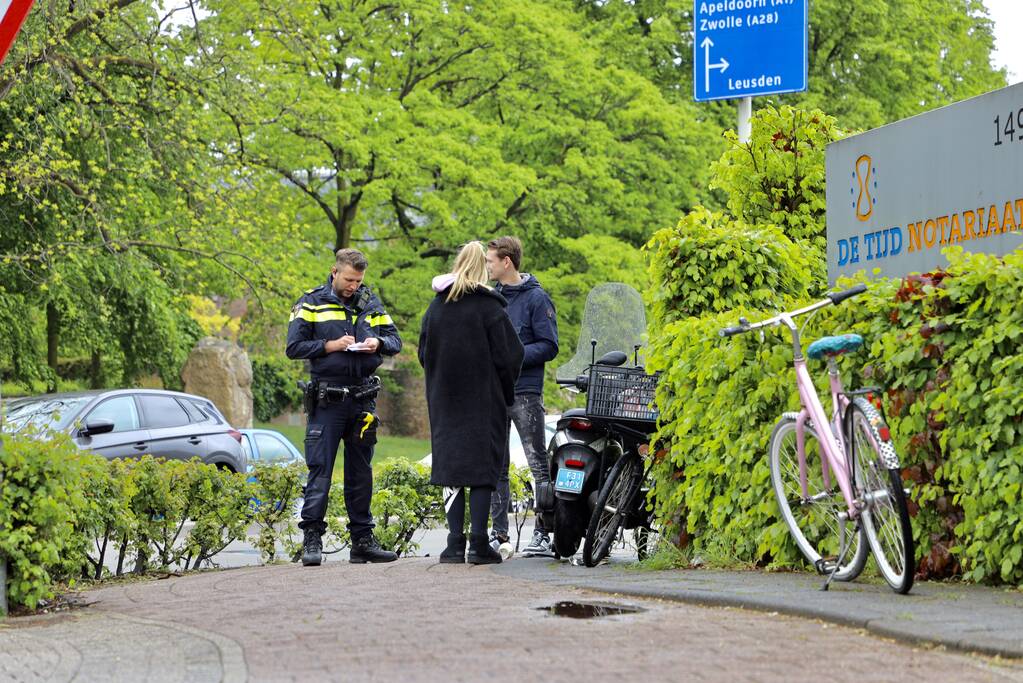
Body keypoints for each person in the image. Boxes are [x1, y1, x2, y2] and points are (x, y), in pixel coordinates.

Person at [286, 248, 403, 566]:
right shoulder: (311, 302)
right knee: (320, 470)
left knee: (360, 473)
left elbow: (395, 340)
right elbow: (293, 347)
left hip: (362, 398)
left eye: (358, 280)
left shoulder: (370, 303)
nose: (353, 286)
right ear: (334, 272)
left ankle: (362, 541)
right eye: (349, 279)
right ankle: (312, 540)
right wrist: (329, 345)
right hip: (328, 401)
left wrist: (378, 343)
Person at [418, 241, 524, 564]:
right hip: (483, 401)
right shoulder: (490, 308)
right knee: (481, 469)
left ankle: (453, 544)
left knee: (451, 468)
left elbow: (424, 353)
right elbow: (512, 355)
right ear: (482, 269)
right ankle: (478, 543)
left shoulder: (435, 308)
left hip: (444, 400)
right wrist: (505, 389)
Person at [485, 236, 559, 557]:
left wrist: (511, 355)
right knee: (496, 464)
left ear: (507, 262)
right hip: (493, 391)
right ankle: (498, 534)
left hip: (525, 392)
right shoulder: (491, 298)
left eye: (490, 261)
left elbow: (549, 345)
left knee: (537, 465)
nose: (487, 266)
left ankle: (543, 532)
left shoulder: (537, 299)